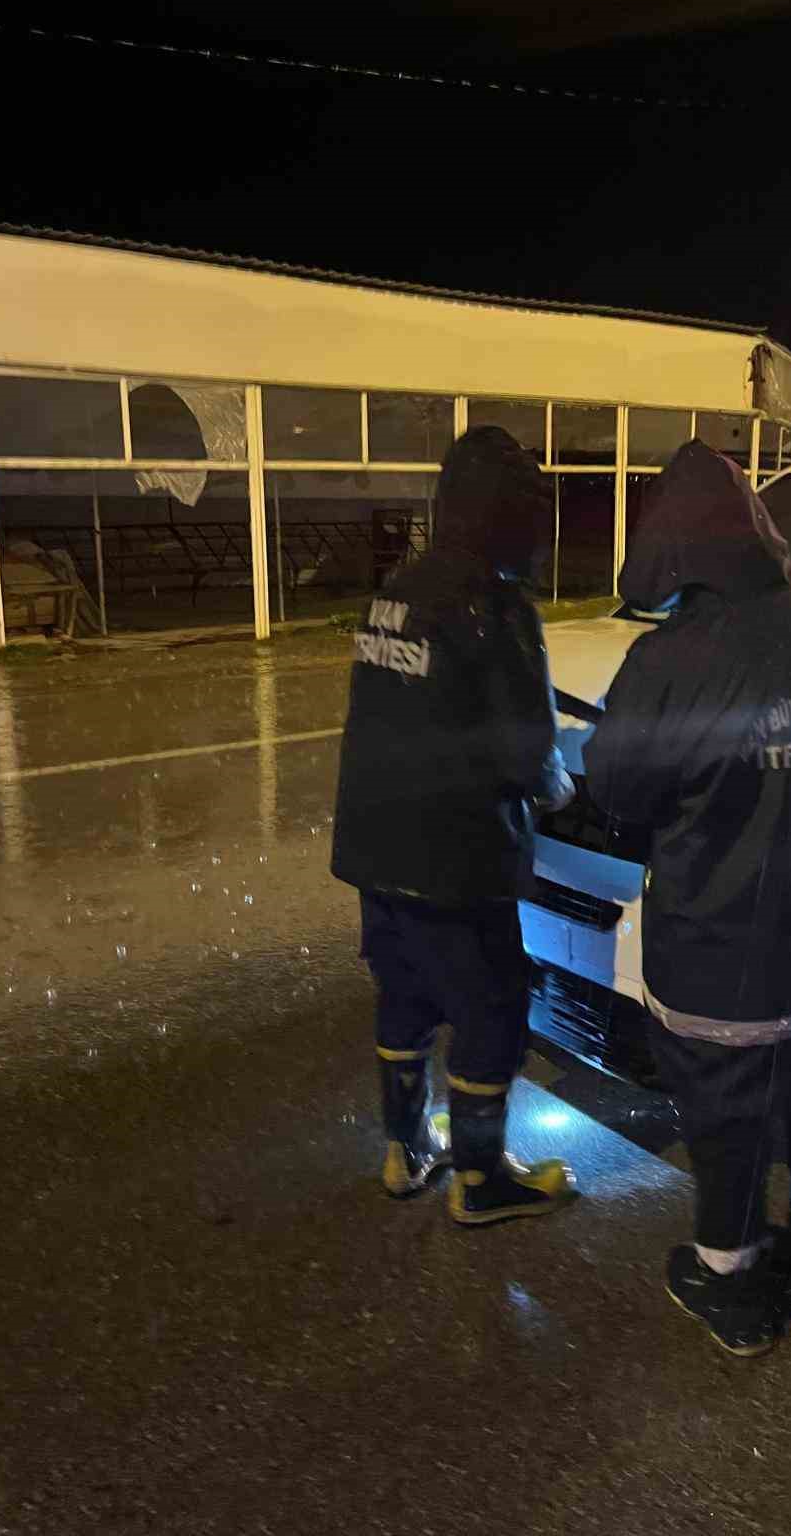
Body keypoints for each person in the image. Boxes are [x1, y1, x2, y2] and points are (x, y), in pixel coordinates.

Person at [584, 439, 791, 1357]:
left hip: (723, 966)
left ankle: (730, 1284)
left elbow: (617, 791)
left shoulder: (667, 663)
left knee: (726, 1122)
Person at [331, 425, 577, 1226]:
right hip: (454, 859)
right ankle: (481, 1178)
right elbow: (528, 752)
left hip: (376, 847)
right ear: (508, 514)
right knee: (493, 1009)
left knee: (405, 995)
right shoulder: (496, 609)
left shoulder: (395, 591)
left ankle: (406, 1150)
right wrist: (562, 790)